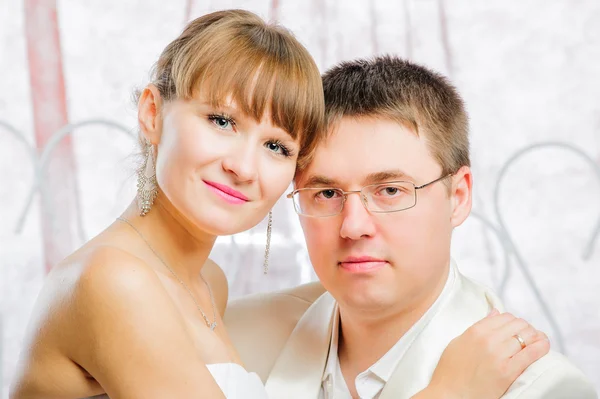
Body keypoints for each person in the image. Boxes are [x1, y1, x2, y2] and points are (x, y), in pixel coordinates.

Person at [11, 10, 548, 399]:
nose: (244, 167)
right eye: (221, 121)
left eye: (276, 146)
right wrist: (453, 391)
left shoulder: (209, 284)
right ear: (152, 112)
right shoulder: (112, 281)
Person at [224, 56, 598, 399]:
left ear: (459, 196)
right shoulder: (231, 338)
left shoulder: (543, 389)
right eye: (326, 193)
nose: (353, 226)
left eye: (390, 190)